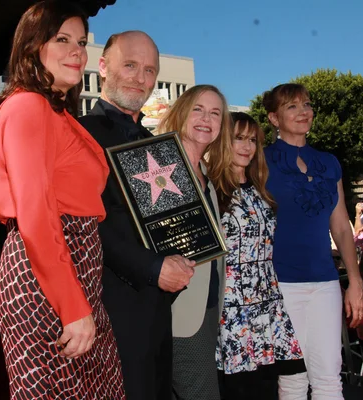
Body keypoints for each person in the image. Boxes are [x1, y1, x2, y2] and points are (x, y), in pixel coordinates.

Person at [0, 2, 124, 398]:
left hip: (71, 273)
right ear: (32, 46)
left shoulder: (55, 112)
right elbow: (35, 215)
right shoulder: (27, 106)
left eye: (81, 42)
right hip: (44, 279)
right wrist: (72, 306)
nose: (77, 51)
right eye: (62, 39)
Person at [78, 30, 196, 400]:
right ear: (102, 67)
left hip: (158, 308)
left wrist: (187, 250)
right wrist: (151, 267)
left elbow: (168, 221)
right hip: (106, 308)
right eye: (129, 65)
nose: (140, 78)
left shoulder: (157, 143)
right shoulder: (78, 133)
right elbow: (85, 222)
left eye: (149, 70)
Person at [262, 83, 363, 399]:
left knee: (329, 377)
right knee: (292, 379)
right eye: (291, 107)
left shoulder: (329, 163)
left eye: (306, 104)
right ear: (274, 118)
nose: (303, 112)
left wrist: (356, 282)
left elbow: (342, 227)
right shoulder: (259, 160)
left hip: (325, 282)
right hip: (280, 283)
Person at [209, 112, 305, 399]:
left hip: (266, 301)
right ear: (222, 141)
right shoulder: (212, 189)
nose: (247, 146)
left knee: (266, 387)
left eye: (252, 140)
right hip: (232, 305)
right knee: (239, 390)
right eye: (238, 138)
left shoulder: (261, 191)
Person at [155, 85, 227, 400]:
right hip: (176, 315)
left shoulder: (207, 176)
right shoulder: (159, 169)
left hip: (207, 310)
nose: (206, 119)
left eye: (215, 113)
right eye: (198, 109)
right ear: (181, 112)